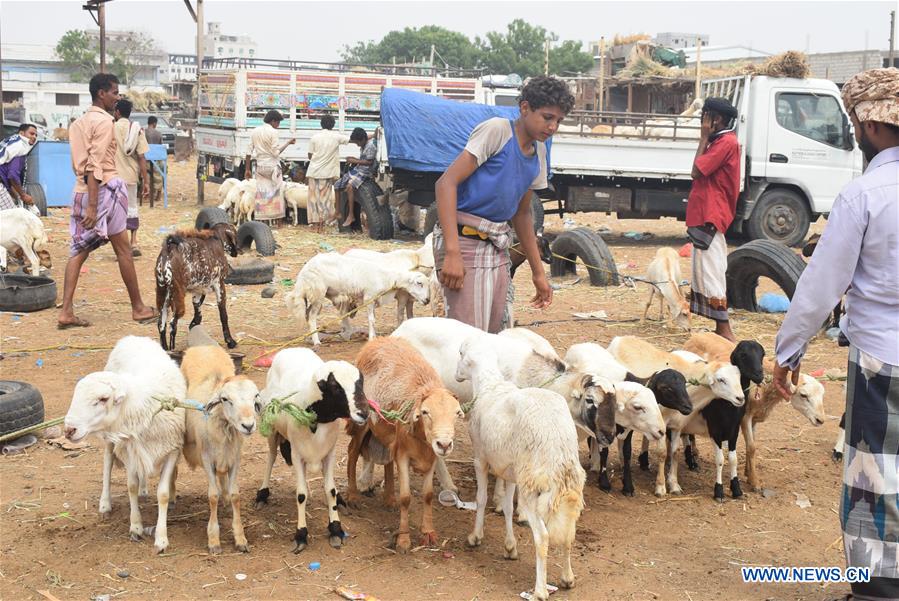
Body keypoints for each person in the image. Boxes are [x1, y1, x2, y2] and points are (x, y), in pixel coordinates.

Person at [773, 67, 899, 601]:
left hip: (880, 360)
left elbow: (821, 286)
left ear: (870, 126)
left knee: (876, 478)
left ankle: (878, 589)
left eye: (855, 124)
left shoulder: (865, 194)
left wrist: (788, 351)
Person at [432, 75, 570, 333]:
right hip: (464, 241)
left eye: (559, 121)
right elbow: (445, 184)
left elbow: (522, 214)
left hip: (496, 244)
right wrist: (452, 253)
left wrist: (538, 273)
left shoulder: (539, 151)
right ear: (525, 108)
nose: (552, 127)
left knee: (495, 333)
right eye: (547, 117)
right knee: (466, 336)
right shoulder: (498, 131)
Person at [57, 73, 156, 329]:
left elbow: (81, 165)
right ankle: (138, 308)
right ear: (101, 94)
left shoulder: (78, 123)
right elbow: (95, 166)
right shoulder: (104, 123)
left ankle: (66, 311)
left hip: (81, 190)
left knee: (78, 251)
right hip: (103, 192)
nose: (117, 97)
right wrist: (93, 206)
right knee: (123, 250)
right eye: (114, 92)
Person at [685, 97, 740, 342]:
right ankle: (720, 329)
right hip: (706, 212)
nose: (702, 122)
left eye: (705, 117)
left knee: (712, 270)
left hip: (712, 213)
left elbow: (696, 170)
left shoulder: (725, 142)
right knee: (705, 269)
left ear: (715, 119)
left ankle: (725, 330)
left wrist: (703, 138)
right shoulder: (721, 141)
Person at [112, 98, 149, 256]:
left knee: (116, 211)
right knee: (132, 208)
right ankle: (134, 242)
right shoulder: (136, 129)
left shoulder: (111, 128)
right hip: (131, 176)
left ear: (117, 112)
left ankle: (122, 245)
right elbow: (142, 157)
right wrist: (146, 181)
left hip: (113, 176)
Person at [244, 110, 295, 221]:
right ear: (273, 121)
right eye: (278, 122)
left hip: (260, 167)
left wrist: (247, 169)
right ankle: (278, 219)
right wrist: (287, 143)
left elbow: (248, 151)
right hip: (273, 167)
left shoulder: (255, 131)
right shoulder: (273, 132)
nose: (278, 125)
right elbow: (275, 153)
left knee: (262, 192)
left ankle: (262, 217)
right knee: (277, 193)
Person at [306, 115, 349, 233]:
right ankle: (321, 225)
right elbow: (351, 139)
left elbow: (310, 155)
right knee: (324, 200)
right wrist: (373, 135)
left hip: (313, 172)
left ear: (321, 124)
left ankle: (315, 225)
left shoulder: (314, 137)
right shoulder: (336, 137)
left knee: (313, 200)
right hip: (326, 173)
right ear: (333, 125)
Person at [333, 127, 377, 228]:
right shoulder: (364, 141)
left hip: (365, 172)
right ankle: (337, 212)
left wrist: (354, 161)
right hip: (358, 169)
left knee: (349, 187)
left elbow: (369, 162)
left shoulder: (370, 146)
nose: (357, 144)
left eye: (358, 142)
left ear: (363, 139)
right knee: (337, 185)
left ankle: (351, 215)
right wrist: (354, 159)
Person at [0, 123, 38, 213]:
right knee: (11, 215)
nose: (34, 137)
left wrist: (16, 195)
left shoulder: (11, 140)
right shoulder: (21, 147)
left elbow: (7, 174)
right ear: (21, 133)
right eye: (31, 133)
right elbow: (13, 175)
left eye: (36, 135)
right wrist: (23, 195)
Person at [144, 116, 164, 206]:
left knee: (146, 176)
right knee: (158, 176)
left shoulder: (143, 133)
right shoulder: (158, 133)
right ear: (154, 123)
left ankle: (146, 195)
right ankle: (158, 195)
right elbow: (160, 146)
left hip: (145, 159)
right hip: (155, 159)